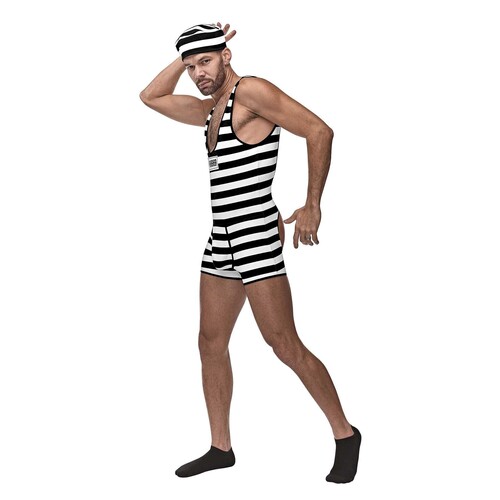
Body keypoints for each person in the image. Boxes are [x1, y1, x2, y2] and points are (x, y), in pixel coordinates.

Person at [139, 22, 361, 483]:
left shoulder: (252, 92)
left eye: (205, 61)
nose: (198, 73)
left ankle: (345, 434)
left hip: (256, 235)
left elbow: (319, 131)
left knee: (284, 344)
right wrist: (185, 56)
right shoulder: (210, 108)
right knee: (210, 343)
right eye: (191, 66)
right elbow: (151, 97)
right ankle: (220, 448)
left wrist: (313, 204)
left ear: (226, 55)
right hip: (220, 237)